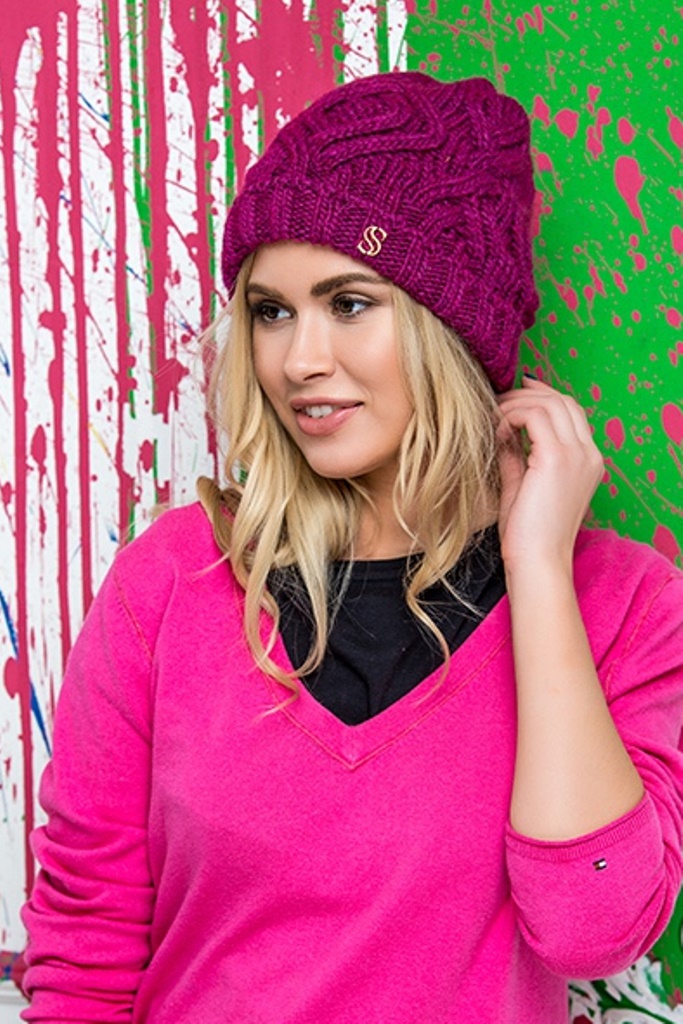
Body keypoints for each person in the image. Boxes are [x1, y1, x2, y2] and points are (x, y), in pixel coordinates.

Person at [20, 73, 683, 1024]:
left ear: (451, 325)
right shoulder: (172, 581)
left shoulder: (624, 604)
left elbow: (591, 932)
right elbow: (87, 952)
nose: (299, 361)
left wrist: (536, 566)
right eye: (272, 310)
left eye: (350, 302)